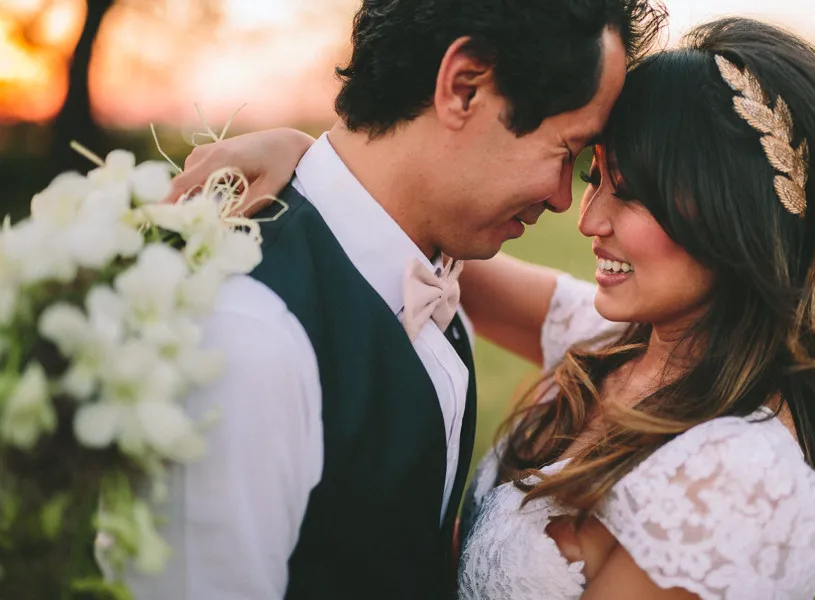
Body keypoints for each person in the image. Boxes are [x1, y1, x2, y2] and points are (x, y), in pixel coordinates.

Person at [179, 16, 815, 600]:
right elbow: (390, 229)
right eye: (588, 170)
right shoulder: (622, 341)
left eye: (629, 189)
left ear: (734, 220)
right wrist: (308, 158)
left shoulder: (735, 478)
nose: (580, 215)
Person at [127, 1, 667, 599]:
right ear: (464, 88)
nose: (566, 200)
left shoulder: (426, 264)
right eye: (567, 150)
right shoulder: (253, 336)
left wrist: (309, 151)